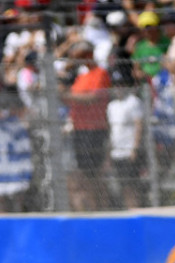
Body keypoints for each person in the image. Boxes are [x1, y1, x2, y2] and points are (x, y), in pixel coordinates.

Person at [64, 40, 112, 211]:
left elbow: (94, 98)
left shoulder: (100, 74)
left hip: (94, 129)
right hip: (79, 129)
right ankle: (92, 209)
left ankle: (102, 208)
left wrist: (68, 97)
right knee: (83, 174)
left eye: (80, 57)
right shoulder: (81, 76)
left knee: (95, 173)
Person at [106, 69, 145, 208]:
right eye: (116, 85)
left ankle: (135, 209)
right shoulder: (112, 106)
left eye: (121, 84)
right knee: (122, 185)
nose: (118, 88)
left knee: (132, 185)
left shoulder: (133, 102)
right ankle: (128, 209)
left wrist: (135, 148)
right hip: (117, 152)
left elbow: (138, 125)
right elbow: (112, 130)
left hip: (129, 150)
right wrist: (109, 153)